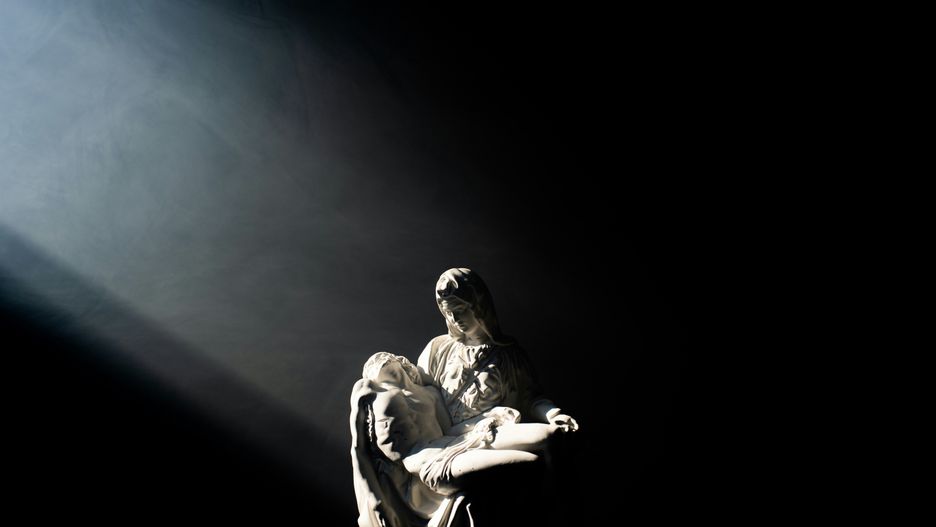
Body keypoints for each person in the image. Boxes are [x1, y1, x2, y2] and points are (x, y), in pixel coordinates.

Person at [351, 352, 559, 527]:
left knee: (548, 436)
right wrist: (375, 499)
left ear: (400, 363)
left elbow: (450, 430)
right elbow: (359, 449)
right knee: (530, 464)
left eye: (388, 365)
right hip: (432, 463)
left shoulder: (429, 393)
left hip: (457, 443)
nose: (384, 370)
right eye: (380, 372)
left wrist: (489, 416)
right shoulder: (372, 394)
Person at [418, 268, 579, 432]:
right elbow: (417, 393)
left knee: (546, 437)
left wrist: (554, 415)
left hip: (493, 433)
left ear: (479, 306)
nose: (455, 318)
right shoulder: (439, 349)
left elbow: (531, 400)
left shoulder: (509, 356)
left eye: (460, 310)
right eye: (448, 312)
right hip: (444, 435)